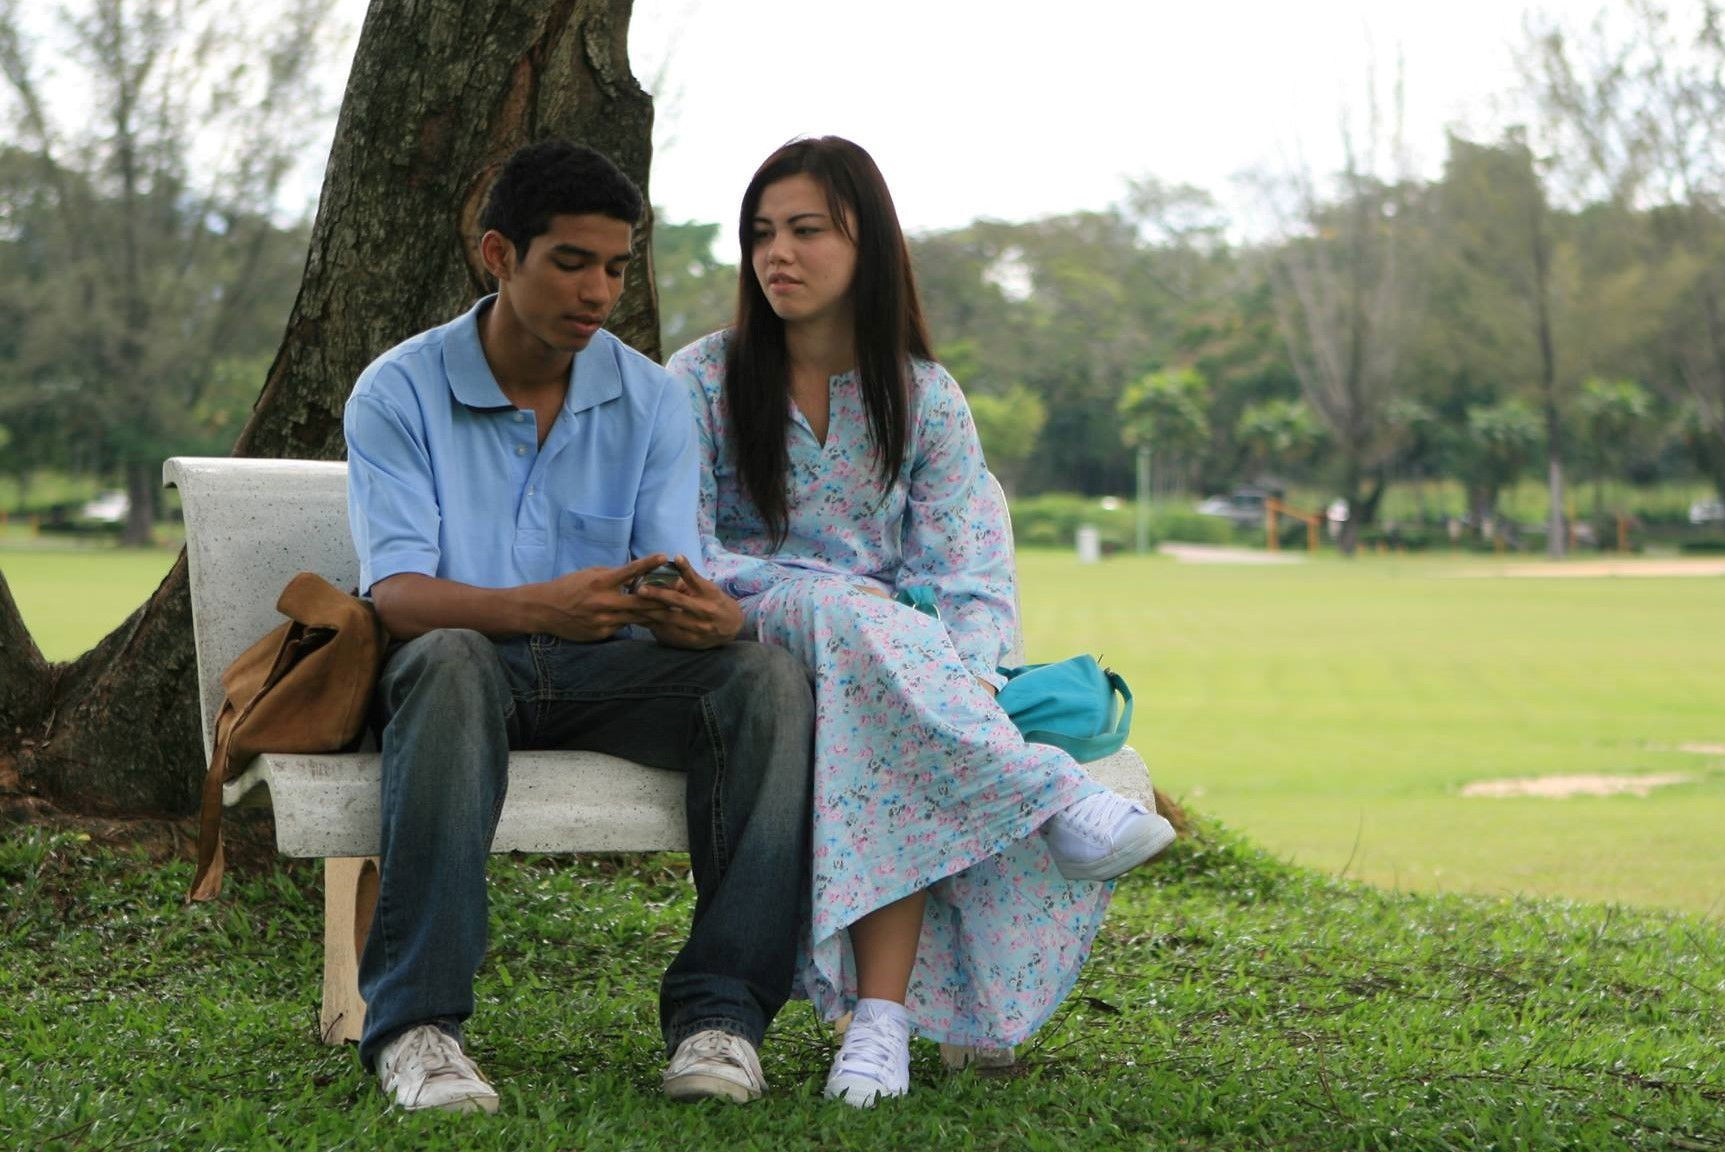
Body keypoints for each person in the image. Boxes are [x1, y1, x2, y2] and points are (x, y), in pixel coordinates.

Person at [665, 136, 1175, 1108]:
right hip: (744, 640)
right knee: (843, 613)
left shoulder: (925, 398)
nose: (777, 253)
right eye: (761, 233)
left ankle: (880, 1025)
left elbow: (970, 577)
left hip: (896, 672)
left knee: (882, 701)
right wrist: (850, 604)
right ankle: (1051, 799)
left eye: (805, 230)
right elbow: (681, 552)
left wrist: (957, 678)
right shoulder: (697, 381)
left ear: (869, 245)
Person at [342, 139, 813, 1114]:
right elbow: (398, 597)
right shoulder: (400, 390)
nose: (598, 290)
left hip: (611, 676)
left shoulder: (650, 399)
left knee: (765, 679)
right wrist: (540, 607)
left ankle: (721, 1022)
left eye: (615, 266)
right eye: (570, 262)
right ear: (499, 255)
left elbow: (665, 570)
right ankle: (418, 1030)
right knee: (449, 658)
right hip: (457, 682)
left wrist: (709, 618)